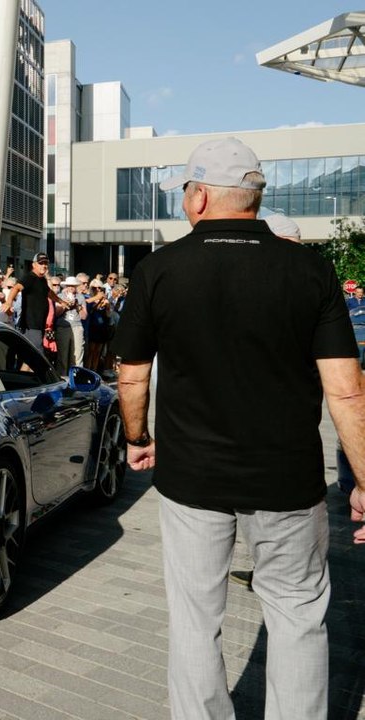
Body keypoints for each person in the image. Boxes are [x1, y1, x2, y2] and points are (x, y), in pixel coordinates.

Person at [112, 136, 365, 720]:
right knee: (299, 615)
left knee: (196, 619)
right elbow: (346, 388)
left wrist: (137, 439)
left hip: (192, 479)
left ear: (198, 197)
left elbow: (131, 374)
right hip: (287, 480)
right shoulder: (310, 270)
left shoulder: (158, 269)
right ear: (254, 197)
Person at [1, 253, 62, 351]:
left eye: (46, 263)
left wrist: (61, 301)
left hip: (39, 326)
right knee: (37, 356)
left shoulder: (42, 280)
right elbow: (16, 288)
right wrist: (8, 302)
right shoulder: (29, 277)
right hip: (30, 326)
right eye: (41, 263)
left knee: (30, 359)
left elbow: (49, 292)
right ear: (34, 265)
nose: (44, 265)